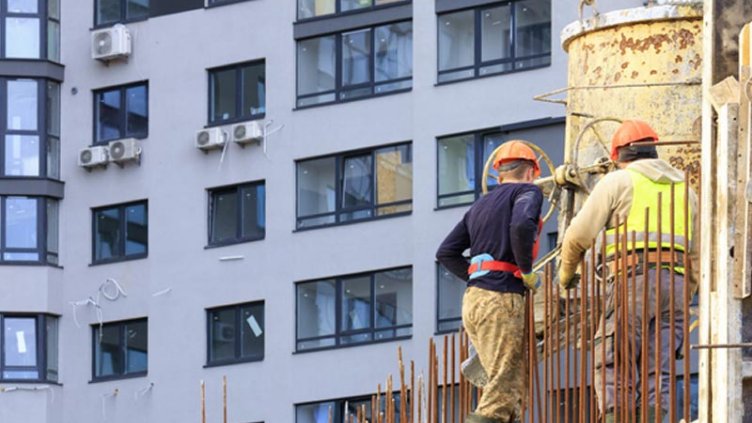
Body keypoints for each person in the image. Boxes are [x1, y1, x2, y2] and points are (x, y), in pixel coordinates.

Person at [558, 120, 699, 422]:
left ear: (618, 155)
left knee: (614, 357)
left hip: (633, 280)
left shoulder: (618, 182)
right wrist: (685, 296)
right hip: (675, 286)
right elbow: (696, 257)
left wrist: (566, 275)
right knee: (658, 364)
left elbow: (577, 236)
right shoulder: (687, 190)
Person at [436, 140, 543, 423]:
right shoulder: (528, 191)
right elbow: (521, 225)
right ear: (532, 171)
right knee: (501, 385)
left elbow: (446, 252)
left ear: (498, 175)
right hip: (501, 299)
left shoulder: (479, 206)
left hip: (474, 301)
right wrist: (526, 271)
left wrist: (478, 275)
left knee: (511, 387)